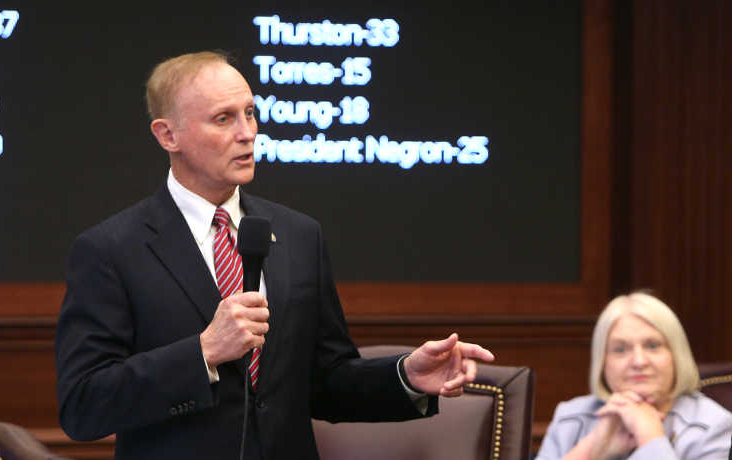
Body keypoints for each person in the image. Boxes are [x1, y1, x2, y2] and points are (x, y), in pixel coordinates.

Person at [54, 51, 495, 460]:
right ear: (168, 134)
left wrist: (405, 377)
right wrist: (203, 353)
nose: (247, 133)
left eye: (249, 113)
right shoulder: (111, 249)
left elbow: (326, 381)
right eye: (223, 119)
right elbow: (83, 405)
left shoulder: (298, 234)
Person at [536, 292, 732, 459]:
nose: (639, 362)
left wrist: (650, 436)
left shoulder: (714, 426)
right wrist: (592, 447)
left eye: (653, 346)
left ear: (676, 356)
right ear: (603, 363)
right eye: (620, 349)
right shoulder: (571, 417)